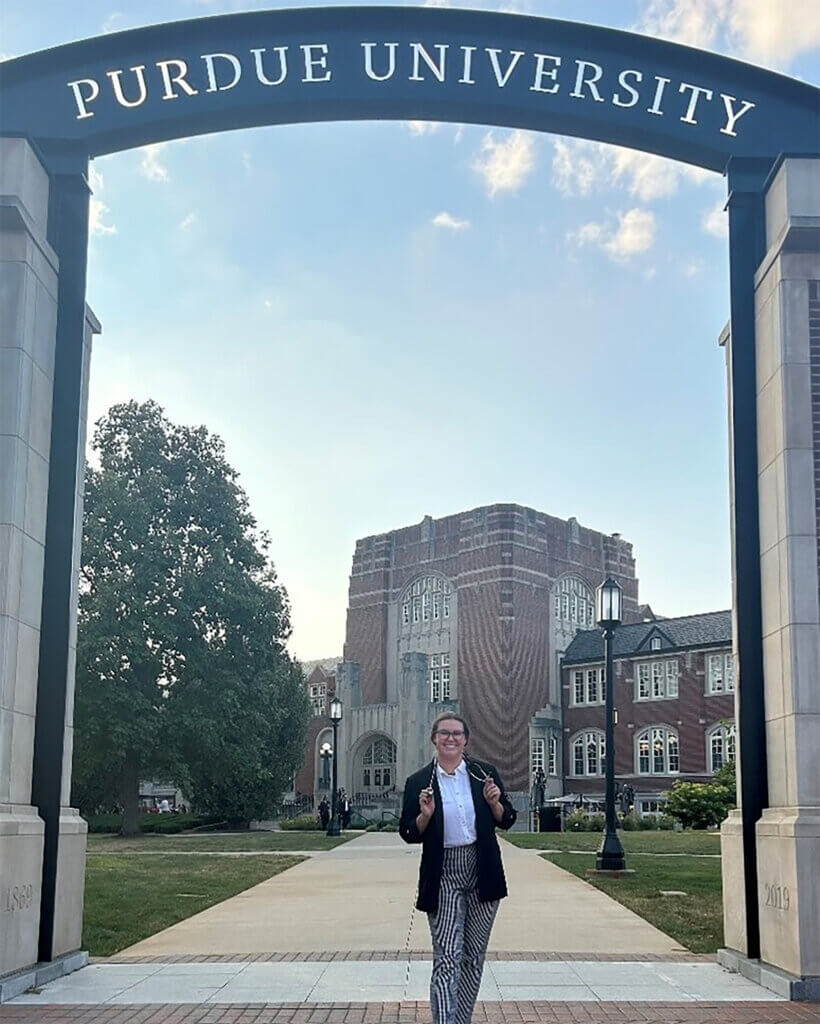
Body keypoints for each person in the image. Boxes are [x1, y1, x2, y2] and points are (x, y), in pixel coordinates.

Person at [400, 713, 516, 1023]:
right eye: (444, 733)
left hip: (482, 870)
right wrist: (425, 815)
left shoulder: (483, 775)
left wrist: (495, 803)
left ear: (465, 740)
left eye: (457, 734)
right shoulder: (419, 782)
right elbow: (409, 833)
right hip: (443, 874)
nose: (450, 739)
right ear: (434, 739)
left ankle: (460, 1018)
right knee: (448, 957)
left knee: (473, 957)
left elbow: (507, 819)